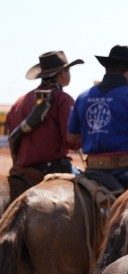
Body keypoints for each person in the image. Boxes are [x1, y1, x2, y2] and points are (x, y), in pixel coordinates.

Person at [67, 45, 128, 191]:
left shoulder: (83, 97)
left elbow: (72, 138)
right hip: (125, 171)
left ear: (107, 69)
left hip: (92, 170)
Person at [6, 50, 83, 183]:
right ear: (62, 74)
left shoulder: (19, 102)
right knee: (93, 190)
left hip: (21, 170)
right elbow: (71, 141)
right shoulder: (63, 99)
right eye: (68, 70)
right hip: (53, 169)